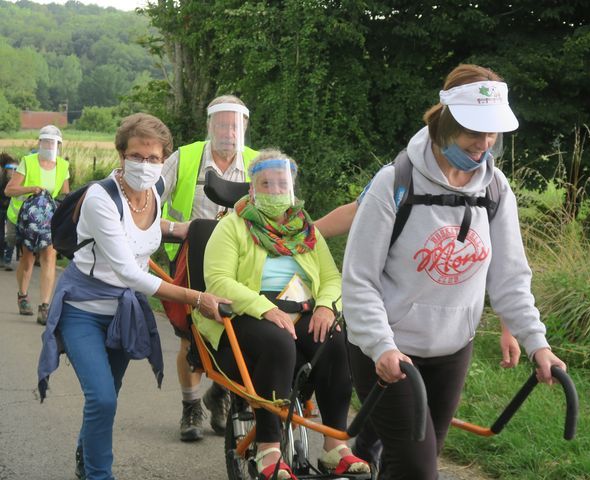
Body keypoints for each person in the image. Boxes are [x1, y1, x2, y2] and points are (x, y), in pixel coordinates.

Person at [341, 64, 567, 480]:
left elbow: (511, 279)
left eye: (492, 134)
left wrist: (538, 344)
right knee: (418, 469)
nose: (484, 145)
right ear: (446, 123)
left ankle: (369, 449)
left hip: (452, 350)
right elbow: (359, 280)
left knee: (413, 463)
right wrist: (381, 345)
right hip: (390, 349)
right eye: (474, 133)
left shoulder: (495, 190)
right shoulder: (395, 183)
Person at [36, 113, 230, 480]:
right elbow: (128, 271)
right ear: (121, 155)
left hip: (123, 312)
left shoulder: (155, 191)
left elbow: (148, 221)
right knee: (102, 398)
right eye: (137, 156)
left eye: (154, 158)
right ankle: (98, 474)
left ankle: (85, 452)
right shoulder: (100, 198)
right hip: (84, 310)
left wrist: (185, 228)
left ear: (163, 159)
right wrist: (197, 298)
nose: (145, 164)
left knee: (109, 394)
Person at [193, 150, 370, 479]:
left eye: (281, 184)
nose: (275, 191)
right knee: (277, 341)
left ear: (292, 188)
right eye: (266, 184)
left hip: (302, 311)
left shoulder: (305, 231)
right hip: (247, 313)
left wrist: (325, 307)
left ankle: (335, 446)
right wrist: (266, 308)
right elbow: (218, 281)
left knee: (334, 340)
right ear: (253, 189)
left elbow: (331, 278)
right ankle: (268, 449)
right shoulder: (232, 227)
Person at [160, 94, 259, 441]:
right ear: (210, 125)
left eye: (235, 124)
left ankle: (220, 394)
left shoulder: (258, 163)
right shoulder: (184, 158)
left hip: (244, 264)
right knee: (191, 335)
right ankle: (191, 407)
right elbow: (144, 207)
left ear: (244, 127)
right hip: (193, 257)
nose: (228, 130)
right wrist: (175, 229)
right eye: (221, 122)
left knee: (241, 331)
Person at [4, 126, 70, 323]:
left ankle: (45, 306)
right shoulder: (28, 161)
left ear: (59, 145)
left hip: (49, 220)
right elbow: (9, 190)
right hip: (24, 219)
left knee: (50, 257)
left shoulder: (63, 166)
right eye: (45, 141)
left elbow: (66, 195)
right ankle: (23, 296)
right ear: (39, 142)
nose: (49, 145)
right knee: (28, 260)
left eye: (53, 142)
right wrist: (31, 189)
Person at [0, 152, 18, 270]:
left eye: (16, 169)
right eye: (10, 169)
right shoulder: (1, 179)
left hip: (14, 210)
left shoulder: (20, 180)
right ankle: (2, 257)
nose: (13, 171)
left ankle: (7, 258)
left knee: (12, 235)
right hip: (2, 208)